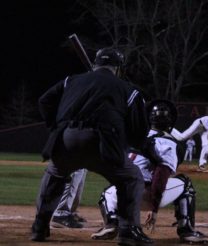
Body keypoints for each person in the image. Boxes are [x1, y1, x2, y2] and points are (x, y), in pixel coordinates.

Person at [30, 47, 153, 246]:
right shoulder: (128, 89)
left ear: (96, 64)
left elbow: (45, 101)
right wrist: (127, 144)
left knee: (55, 173)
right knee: (131, 178)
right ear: (118, 68)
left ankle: (39, 227)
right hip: (102, 142)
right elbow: (139, 128)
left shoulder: (72, 80)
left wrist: (56, 126)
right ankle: (128, 231)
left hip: (66, 139)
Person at [90, 100, 208, 244]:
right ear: (169, 121)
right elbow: (161, 174)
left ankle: (111, 222)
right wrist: (154, 209)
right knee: (185, 184)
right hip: (147, 194)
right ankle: (187, 230)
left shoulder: (133, 138)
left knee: (107, 192)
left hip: (122, 196)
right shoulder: (169, 142)